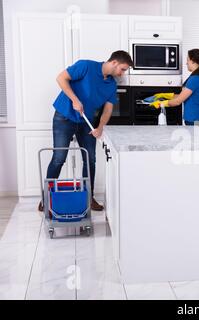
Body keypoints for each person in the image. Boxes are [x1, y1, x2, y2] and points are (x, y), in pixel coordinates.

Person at [38, 50, 133, 212]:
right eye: (123, 69)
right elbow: (61, 78)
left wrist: (100, 127)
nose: (122, 73)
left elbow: (108, 109)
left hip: (85, 122)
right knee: (59, 158)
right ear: (114, 62)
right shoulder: (86, 66)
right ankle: (46, 198)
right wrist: (75, 100)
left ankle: (88, 198)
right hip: (64, 116)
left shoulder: (111, 84)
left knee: (90, 160)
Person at [149, 49, 199, 129]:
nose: (186, 63)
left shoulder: (195, 79)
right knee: (193, 142)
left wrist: (161, 104)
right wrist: (164, 95)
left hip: (196, 121)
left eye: (188, 60)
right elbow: (182, 96)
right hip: (193, 120)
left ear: (193, 61)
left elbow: (178, 101)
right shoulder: (196, 77)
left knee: (196, 142)